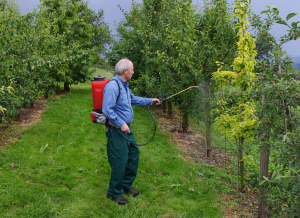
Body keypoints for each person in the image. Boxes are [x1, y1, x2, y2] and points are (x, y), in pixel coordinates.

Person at [102, 58, 161, 205]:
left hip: (126, 129)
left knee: (133, 155)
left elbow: (133, 99)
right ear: (125, 71)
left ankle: (125, 186)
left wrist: (151, 100)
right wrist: (121, 124)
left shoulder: (124, 86)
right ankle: (114, 193)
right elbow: (107, 110)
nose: (134, 72)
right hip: (117, 130)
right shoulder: (113, 86)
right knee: (119, 161)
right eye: (132, 69)